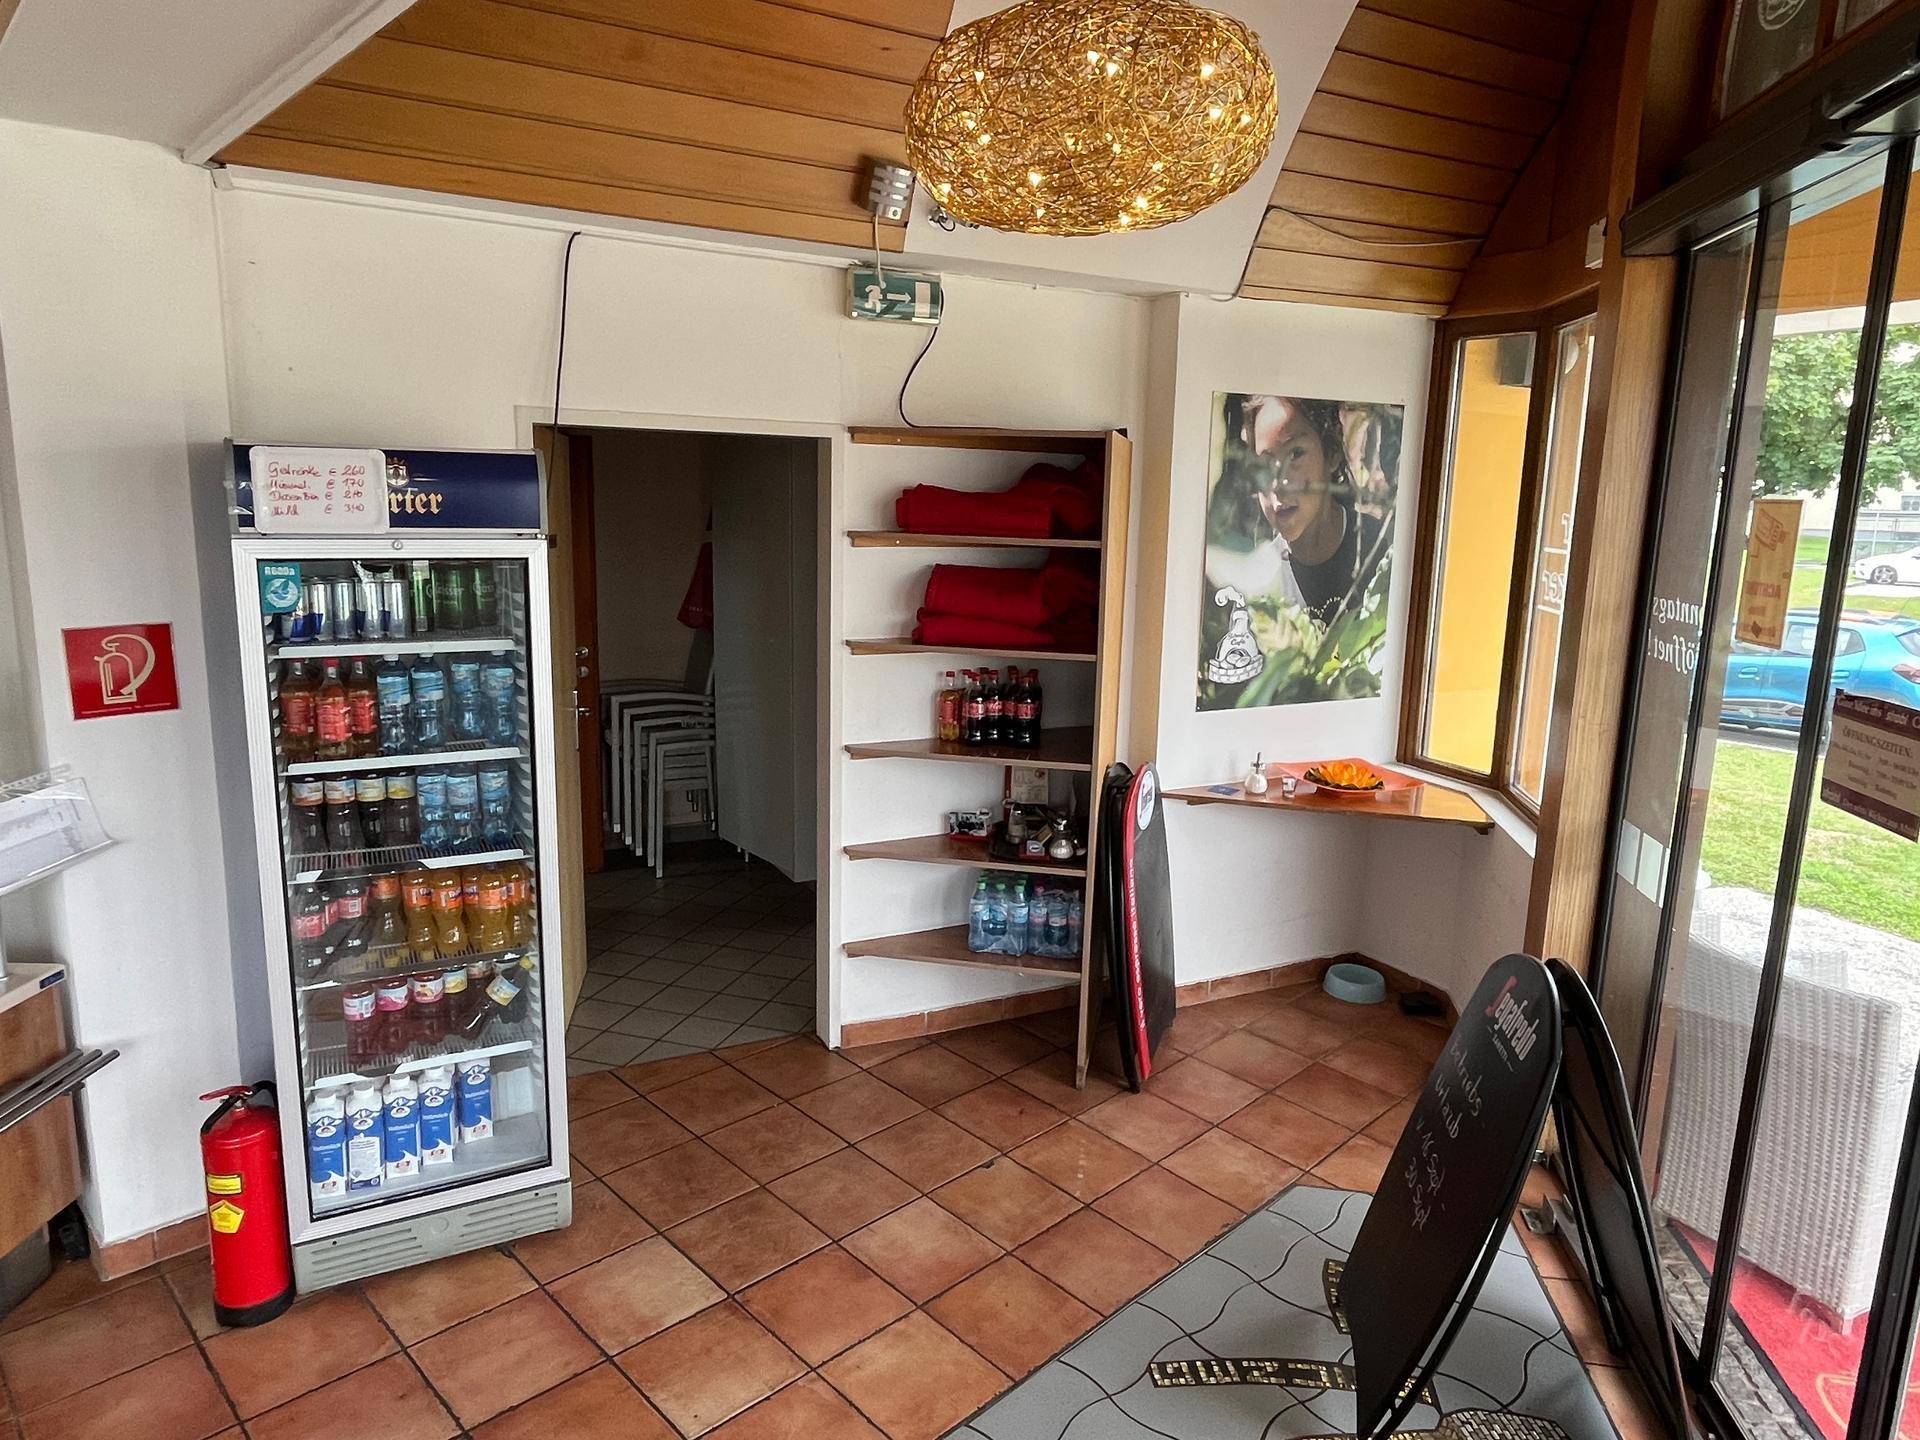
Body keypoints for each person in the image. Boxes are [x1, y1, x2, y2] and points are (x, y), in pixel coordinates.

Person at [1230, 393, 1386, 622]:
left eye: (1295, 454)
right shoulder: (1257, 588)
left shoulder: (1383, 553)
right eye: (1264, 463)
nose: (1277, 484)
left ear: (1331, 454)